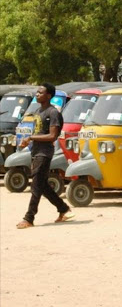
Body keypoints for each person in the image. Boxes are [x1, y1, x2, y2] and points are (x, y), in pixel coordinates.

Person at [16, 83, 74, 229]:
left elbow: (52, 136)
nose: (37, 94)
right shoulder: (37, 111)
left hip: (44, 153)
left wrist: (31, 138)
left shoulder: (53, 113)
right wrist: (27, 141)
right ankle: (63, 209)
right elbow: (38, 132)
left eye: (40, 92)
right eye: (37, 92)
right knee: (43, 186)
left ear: (48, 96)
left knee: (35, 186)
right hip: (35, 152)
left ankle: (29, 218)